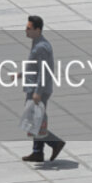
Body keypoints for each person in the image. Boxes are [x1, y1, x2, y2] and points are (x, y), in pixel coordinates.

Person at [20, 15, 66, 162]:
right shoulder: (37, 42)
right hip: (33, 88)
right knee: (34, 120)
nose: (25, 30)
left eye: (28, 28)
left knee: (33, 122)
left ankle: (55, 143)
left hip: (37, 90)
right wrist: (21, 74)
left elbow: (44, 70)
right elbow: (35, 66)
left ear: (37, 30)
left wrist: (38, 92)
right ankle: (37, 152)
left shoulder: (42, 47)